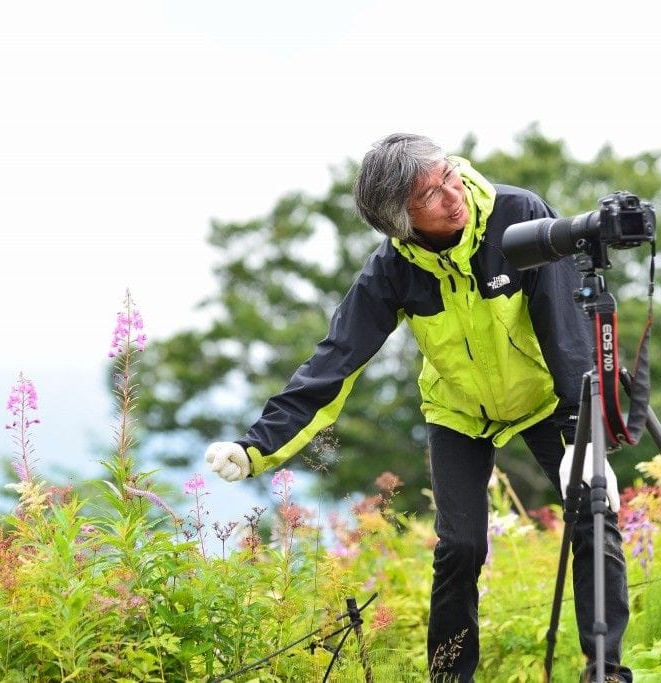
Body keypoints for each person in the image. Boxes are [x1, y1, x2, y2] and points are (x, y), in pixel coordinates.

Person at [204, 133, 632, 682]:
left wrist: (582, 432)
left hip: (548, 399)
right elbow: (336, 361)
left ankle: (605, 670)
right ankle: (450, 677)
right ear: (399, 223)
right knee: (459, 546)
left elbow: (566, 326)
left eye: (448, 175)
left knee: (595, 516)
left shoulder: (517, 217)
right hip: (458, 412)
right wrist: (255, 446)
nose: (452, 195)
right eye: (429, 195)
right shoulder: (391, 269)